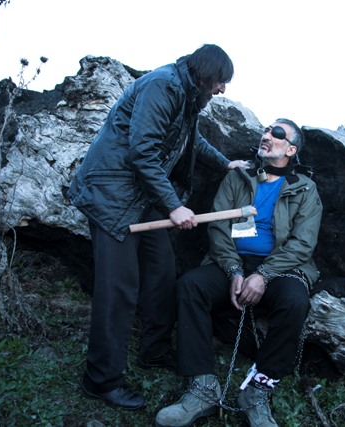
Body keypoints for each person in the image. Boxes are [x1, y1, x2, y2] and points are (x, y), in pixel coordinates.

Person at [68, 44, 250, 410]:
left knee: (162, 271)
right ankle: (100, 380)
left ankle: (152, 351)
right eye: (220, 81)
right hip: (112, 196)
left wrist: (225, 164)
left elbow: (190, 140)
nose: (222, 90)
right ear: (206, 72)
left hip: (138, 196)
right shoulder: (163, 85)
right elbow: (142, 151)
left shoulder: (185, 94)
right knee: (118, 290)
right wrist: (175, 206)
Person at [155, 119, 323, 427]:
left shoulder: (305, 189)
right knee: (191, 286)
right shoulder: (239, 178)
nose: (267, 135)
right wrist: (234, 270)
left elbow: (303, 244)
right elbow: (219, 227)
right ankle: (202, 389)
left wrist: (263, 275)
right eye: (266, 130)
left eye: (277, 133)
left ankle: (257, 391)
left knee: (296, 302)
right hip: (233, 262)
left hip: (281, 268)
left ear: (291, 149)